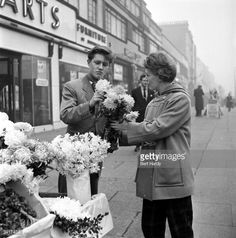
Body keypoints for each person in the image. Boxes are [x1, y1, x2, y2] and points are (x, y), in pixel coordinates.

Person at [111, 52, 194, 238]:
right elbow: (145, 134)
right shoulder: (155, 100)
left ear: (162, 74)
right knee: (150, 231)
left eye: (148, 74)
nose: (145, 79)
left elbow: (156, 129)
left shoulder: (180, 99)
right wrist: (116, 138)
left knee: (181, 232)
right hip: (152, 175)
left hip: (173, 178)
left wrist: (127, 126)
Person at [59, 45, 113, 195]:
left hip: (96, 154)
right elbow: (65, 115)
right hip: (74, 153)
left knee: (92, 194)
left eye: (105, 64)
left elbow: (107, 122)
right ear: (88, 62)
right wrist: (89, 104)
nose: (100, 67)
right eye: (97, 63)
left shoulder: (110, 91)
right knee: (70, 197)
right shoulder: (72, 86)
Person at [131, 74, 154, 152]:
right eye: (144, 80)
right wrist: (133, 112)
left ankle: (145, 145)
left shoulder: (152, 91)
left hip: (148, 114)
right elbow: (132, 103)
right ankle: (137, 145)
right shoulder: (135, 91)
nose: (146, 82)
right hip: (138, 114)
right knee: (138, 130)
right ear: (141, 81)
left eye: (147, 80)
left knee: (146, 129)